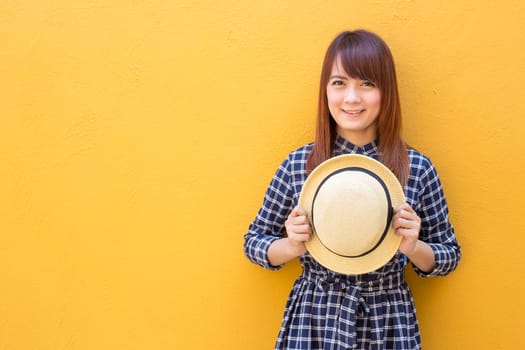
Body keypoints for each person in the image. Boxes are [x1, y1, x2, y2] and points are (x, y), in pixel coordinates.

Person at [243, 29, 461, 349]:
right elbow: (254, 243)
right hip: (315, 318)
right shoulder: (298, 165)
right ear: (325, 91)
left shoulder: (417, 168)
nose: (352, 98)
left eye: (367, 84)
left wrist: (413, 246)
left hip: (388, 319)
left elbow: (449, 255)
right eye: (339, 83)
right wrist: (292, 245)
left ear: (386, 91)